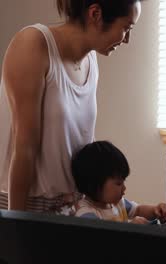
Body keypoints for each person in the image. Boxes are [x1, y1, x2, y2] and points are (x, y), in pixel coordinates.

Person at [0, 0, 143, 214]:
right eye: (126, 28)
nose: (127, 39)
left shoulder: (90, 60)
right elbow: (25, 149)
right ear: (95, 13)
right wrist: (16, 225)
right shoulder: (33, 44)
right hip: (24, 204)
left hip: (72, 205)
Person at [72, 140, 166, 223]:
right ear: (93, 184)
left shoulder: (118, 203)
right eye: (118, 183)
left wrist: (155, 210)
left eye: (123, 181)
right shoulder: (86, 213)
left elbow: (138, 210)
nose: (124, 188)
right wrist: (130, 229)